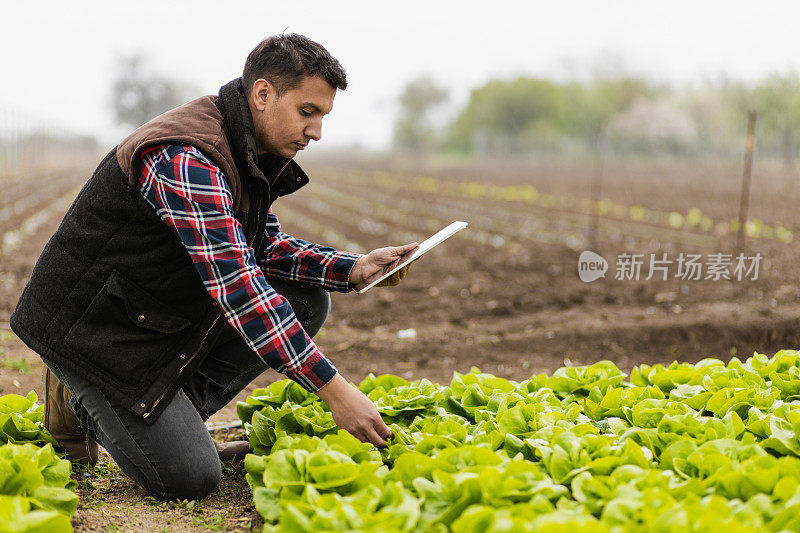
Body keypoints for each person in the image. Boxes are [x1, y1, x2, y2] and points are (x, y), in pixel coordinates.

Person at [10, 34, 418, 501]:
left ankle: (165, 425)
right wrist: (334, 389)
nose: (317, 132)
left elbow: (262, 247)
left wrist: (353, 268)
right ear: (263, 95)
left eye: (323, 116)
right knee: (189, 479)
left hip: (149, 314)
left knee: (305, 302)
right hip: (99, 331)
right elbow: (239, 286)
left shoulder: (245, 146)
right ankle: (76, 388)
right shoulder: (188, 157)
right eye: (308, 112)